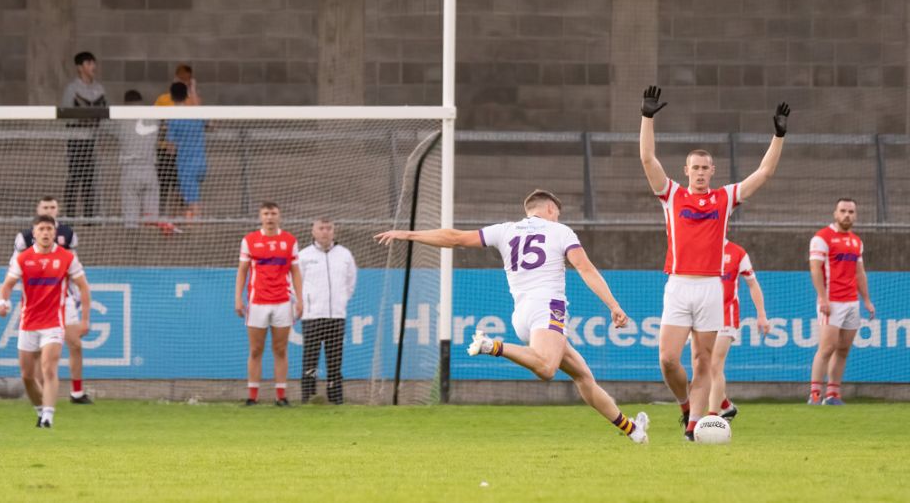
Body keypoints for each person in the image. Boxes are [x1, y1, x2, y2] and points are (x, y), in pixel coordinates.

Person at [376, 189, 650, 444]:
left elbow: (455, 237)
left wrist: (409, 234)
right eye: (558, 212)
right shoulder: (561, 231)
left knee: (583, 377)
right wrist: (613, 305)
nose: (558, 216)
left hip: (522, 315)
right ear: (551, 208)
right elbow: (586, 269)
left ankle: (632, 430)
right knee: (546, 368)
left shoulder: (505, 230)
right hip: (548, 307)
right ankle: (492, 346)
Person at [639, 85, 789, 440]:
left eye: (706, 167)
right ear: (686, 170)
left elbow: (763, 174)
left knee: (703, 361)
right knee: (667, 360)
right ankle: (684, 406)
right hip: (678, 284)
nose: (701, 173)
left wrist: (778, 135)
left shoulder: (725, 198)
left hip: (711, 287)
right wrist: (646, 118)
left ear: (713, 170)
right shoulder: (671, 194)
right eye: (696, 167)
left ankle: (693, 429)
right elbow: (648, 159)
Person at [0, 215, 91, 428]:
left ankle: (48, 416)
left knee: (49, 368)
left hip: (54, 323)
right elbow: (7, 285)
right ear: (35, 232)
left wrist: (85, 319)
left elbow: (84, 287)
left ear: (54, 233)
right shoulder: (23, 259)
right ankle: (41, 410)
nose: (46, 232)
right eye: (42, 229)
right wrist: (2, 302)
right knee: (27, 376)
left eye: (49, 228)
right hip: (28, 323)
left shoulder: (67, 258)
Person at [10, 197, 90, 403]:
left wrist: (83, 312)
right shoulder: (24, 238)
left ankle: (77, 392)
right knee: (37, 352)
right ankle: (42, 395)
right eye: (45, 207)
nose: (50, 210)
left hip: (64, 298)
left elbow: (72, 266)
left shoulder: (68, 234)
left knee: (75, 344)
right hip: (36, 302)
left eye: (53, 207)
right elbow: (15, 270)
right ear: (38, 210)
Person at [808, 198, 875, 406]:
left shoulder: (856, 241)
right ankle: (815, 394)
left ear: (855, 215)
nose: (847, 215)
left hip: (851, 302)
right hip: (832, 300)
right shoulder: (822, 238)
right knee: (827, 348)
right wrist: (823, 297)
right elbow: (815, 269)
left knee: (844, 349)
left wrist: (866, 300)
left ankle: (833, 394)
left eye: (851, 212)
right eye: (843, 211)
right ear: (835, 213)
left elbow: (859, 273)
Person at [235, 201, 302, 406]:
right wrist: (238, 298)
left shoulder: (290, 240)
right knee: (256, 349)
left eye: (273, 213)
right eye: (266, 213)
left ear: (279, 216)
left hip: (282, 301)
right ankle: (252, 396)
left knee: (280, 349)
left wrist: (299, 299)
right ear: (260, 216)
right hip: (257, 302)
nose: (270, 217)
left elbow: (296, 271)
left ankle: (281, 396)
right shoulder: (250, 240)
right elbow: (243, 270)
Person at [706, 238, 769, 420]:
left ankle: (712, 418)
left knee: (715, 365)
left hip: (726, 316)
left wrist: (762, 314)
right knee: (704, 368)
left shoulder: (737, 253)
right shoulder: (699, 247)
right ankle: (726, 406)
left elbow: (752, 283)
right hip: (703, 317)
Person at [298, 219, 356, 404]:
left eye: (328, 228)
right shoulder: (304, 255)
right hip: (312, 316)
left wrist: (340, 302)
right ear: (313, 231)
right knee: (310, 359)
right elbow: (295, 283)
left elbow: (350, 283)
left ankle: (336, 398)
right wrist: (306, 303)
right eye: (321, 228)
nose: (325, 232)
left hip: (336, 316)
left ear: (334, 231)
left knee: (334, 360)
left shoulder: (345, 255)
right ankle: (308, 397)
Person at [61, 51, 107, 218]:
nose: (92, 67)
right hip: (76, 138)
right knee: (75, 175)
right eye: (88, 63)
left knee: (90, 176)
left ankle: (89, 216)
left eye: (93, 63)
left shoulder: (99, 88)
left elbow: (104, 113)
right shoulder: (72, 89)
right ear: (80, 68)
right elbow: (66, 114)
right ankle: (71, 214)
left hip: (93, 139)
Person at [113, 91, 162, 230]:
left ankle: (131, 248)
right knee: (152, 219)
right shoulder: (154, 117)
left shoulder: (119, 119)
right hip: (150, 170)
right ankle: (151, 245)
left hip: (130, 171)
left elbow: (104, 127)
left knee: (130, 219)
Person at [154, 65, 199, 216]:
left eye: (187, 79)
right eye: (181, 78)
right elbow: (155, 121)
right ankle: (161, 217)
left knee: (181, 187)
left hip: (185, 153)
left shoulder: (191, 101)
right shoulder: (163, 99)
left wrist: (192, 90)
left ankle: (178, 217)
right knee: (164, 184)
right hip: (165, 149)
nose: (184, 81)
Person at [165, 82, 207, 222]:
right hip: (201, 163)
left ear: (171, 96)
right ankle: (179, 223)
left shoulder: (173, 118)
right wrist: (193, 89)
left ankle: (196, 231)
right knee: (182, 195)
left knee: (193, 202)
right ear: (187, 95)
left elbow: (171, 148)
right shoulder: (195, 114)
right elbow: (198, 108)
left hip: (186, 166)